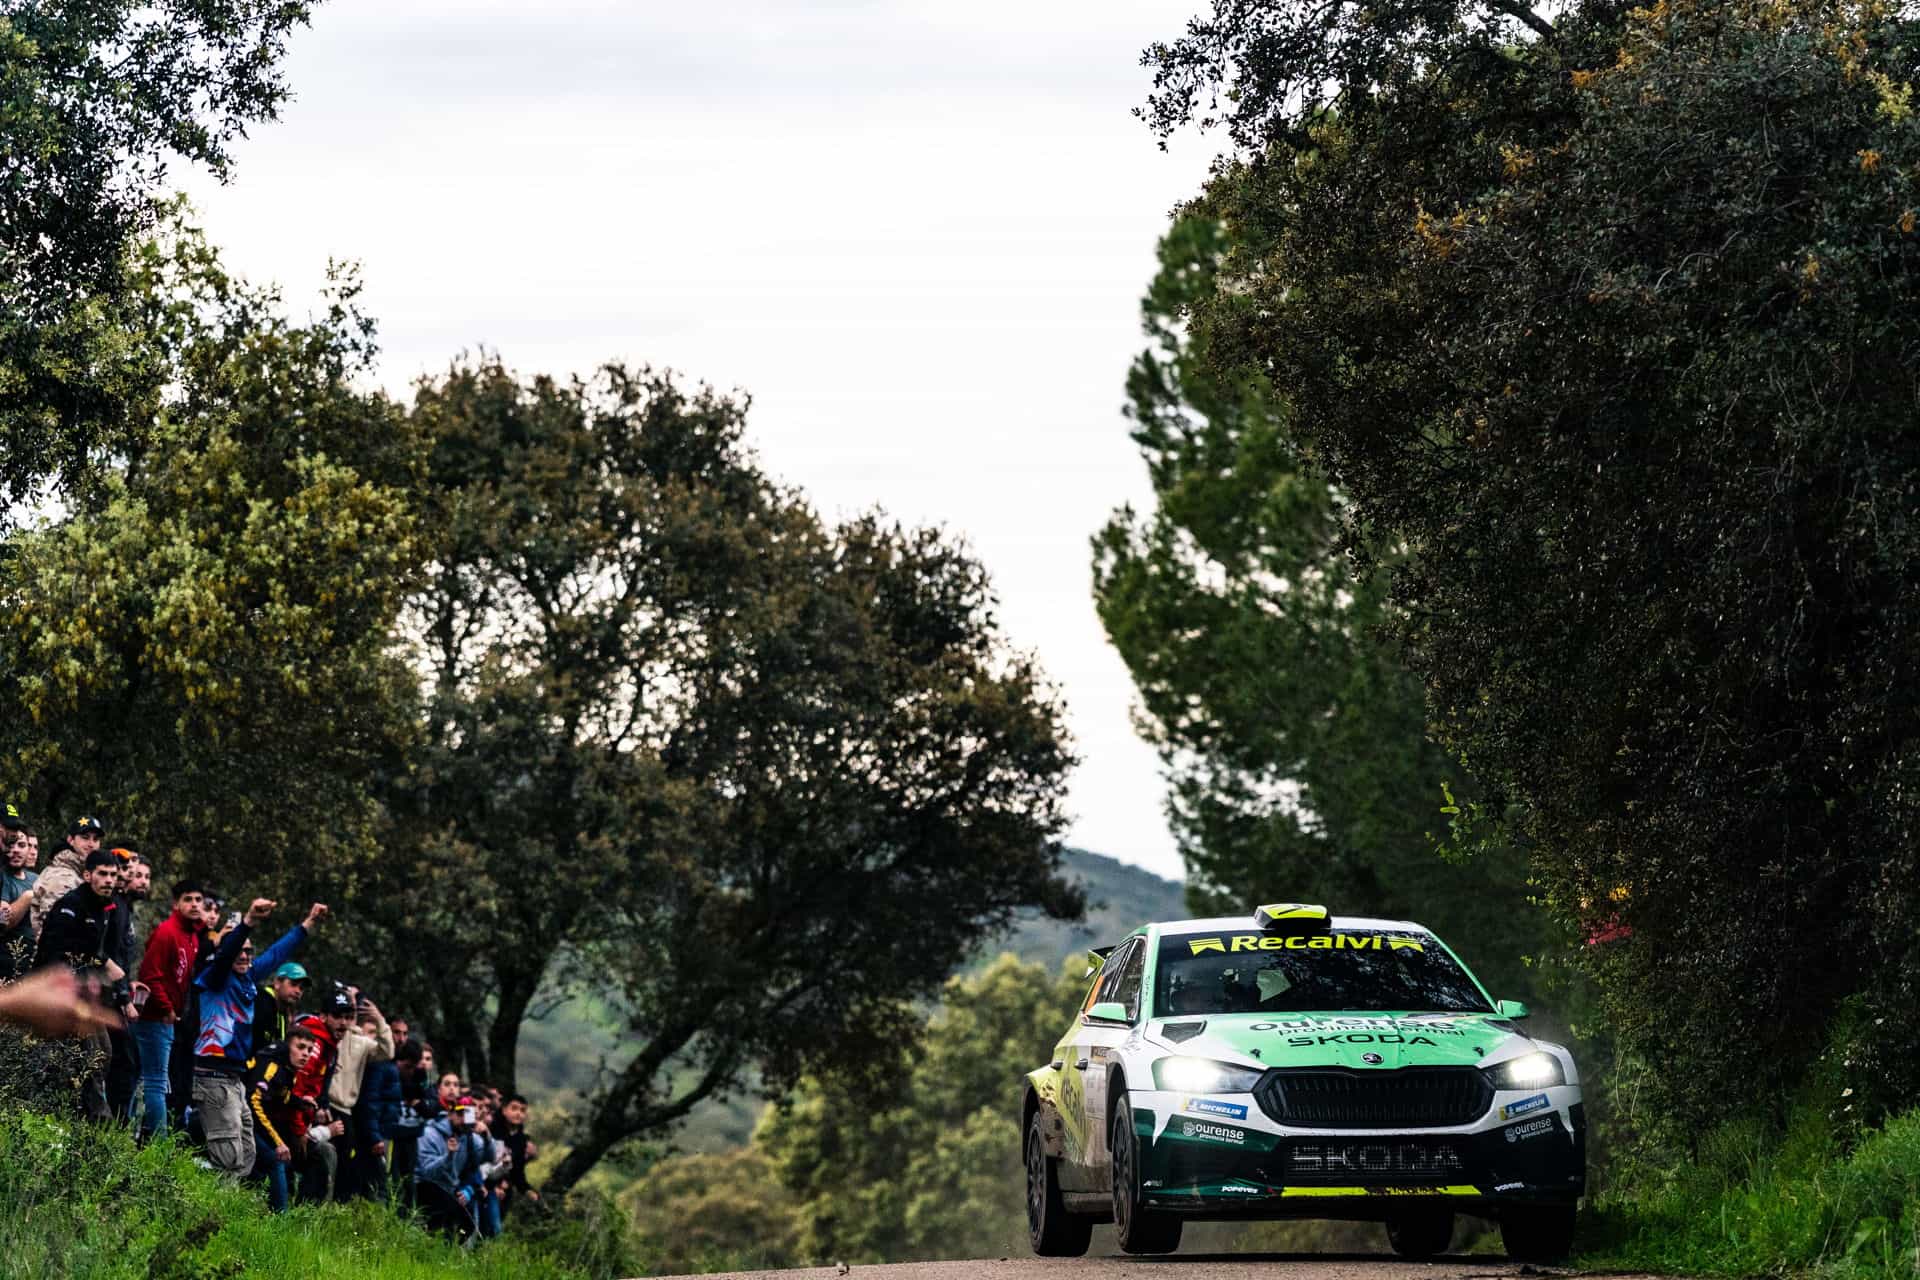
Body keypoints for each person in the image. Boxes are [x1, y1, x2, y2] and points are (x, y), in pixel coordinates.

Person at [192, 898, 319, 1176]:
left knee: (247, 1155)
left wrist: (306, 925)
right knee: (228, 1159)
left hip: (235, 1080)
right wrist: (248, 921)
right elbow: (227, 954)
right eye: (240, 950)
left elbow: (276, 954)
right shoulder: (216, 978)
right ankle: (210, 1201)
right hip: (213, 1076)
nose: (245, 956)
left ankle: (216, 1192)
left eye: (249, 952)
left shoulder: (247, 979)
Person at [31, 849, 130, 1120]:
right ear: (88, 875)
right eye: (103, 874)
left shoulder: (106, 907)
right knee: (87, 1057)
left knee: (104, 1053)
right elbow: (58, 951)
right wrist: (103, 962)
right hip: (57, 994)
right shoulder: (71, 905)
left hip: (86, 994)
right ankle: (94, 1121)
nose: (109, 880)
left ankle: (87, 1118)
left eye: (113, 874)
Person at [128, 878, 205, 1139]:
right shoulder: (166, 933)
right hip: (153, 1017)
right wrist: (168, 1008)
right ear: (176, 904)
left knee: (147, 1078)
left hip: (167, 1018)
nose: (194, 905)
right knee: (155, 1081)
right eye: (188, 900)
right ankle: (159, 1143)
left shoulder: (192, 935)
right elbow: (150, 975)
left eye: (198, 900)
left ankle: (134, 1133)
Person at [323, 986, 393, 1199]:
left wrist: (379, 1020)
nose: (344, 1020)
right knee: (324, 1159)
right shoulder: (324, 1034)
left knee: (345, 1164)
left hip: (345, 1109)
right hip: (325, 1105)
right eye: (340, 1014)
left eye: (349, 1014)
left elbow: (387, 1051)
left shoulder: (361, 1042)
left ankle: (336, 1209)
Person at [248, 1026, 321, 1212]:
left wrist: (299, 1102)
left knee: (283, 1163)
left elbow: (280, 1094)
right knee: (276, 1159)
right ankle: (281, 1218)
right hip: (239, 1116)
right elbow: (254, 1102)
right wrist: (278, 1142)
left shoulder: (288, 1069)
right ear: (288, 1046)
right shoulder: (272, 1065)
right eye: (300, 1047)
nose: (305, 1054)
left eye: (309, 1050)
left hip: (251, 1119)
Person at [104, 848, 151, 1126]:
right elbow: (108, 954)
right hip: (107, 997)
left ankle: (116, 1127)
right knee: (121, 1062)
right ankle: (111, 1128)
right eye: (128, 868)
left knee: (126, 1063)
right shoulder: (113, 904)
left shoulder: (123, 905)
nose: (134, 874)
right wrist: (124, 997)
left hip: (118, 993)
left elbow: (121, 955)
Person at [413, 1094, 490, 1240]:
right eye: (460, 1113)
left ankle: (441, 1252)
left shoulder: (470, 1138)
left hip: (450, 1188)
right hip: (425, 1185)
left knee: (468, 1224)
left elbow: (484, 1161)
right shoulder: (430, 1133)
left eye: (467, 1115)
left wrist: (486, 1135)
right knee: (450, 1218)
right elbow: (427, 1172)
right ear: (450, 1113)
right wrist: (448, 1156)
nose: (463, 1119)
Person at [350, 1004, 403, 1201]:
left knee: (381, 1181)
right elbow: (370, 1101)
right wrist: (374, 1136)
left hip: (384, 1130)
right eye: (370, 1032)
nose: (374, 1037)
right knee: (373, 1184)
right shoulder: (375, 1064)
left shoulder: (383, 1063)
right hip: (375, 1133)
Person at [27, 815, 104, 937]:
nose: (91, 844)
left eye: (96, 839)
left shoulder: (80, 874)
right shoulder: (61, 877)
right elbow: (56, 931)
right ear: (71, 840)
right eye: (85, 838)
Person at [252, 950, 316, 1054]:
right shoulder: (261, 1002)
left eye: (301, 988)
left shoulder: (283, 1013)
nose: (298, 991)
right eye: (293, 984)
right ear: (277, 983)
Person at [0, 811, 38, 978]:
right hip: (7, 965)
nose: (15, 850)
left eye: (21, 845)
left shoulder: (37, 879)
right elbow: (3, 923)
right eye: (12, 844)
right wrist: (28, 897)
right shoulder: (3, 877)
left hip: (34, 966)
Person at [497, 1093, 540, 1215]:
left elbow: (517, 1171)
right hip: (487, 1185)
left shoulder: (521, 1140)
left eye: (522, 1110)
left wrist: (527, 1190)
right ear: (504, 1110)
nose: (518, 1113)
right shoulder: (493, 1130)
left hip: (506, 1189)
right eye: (514, 1108)